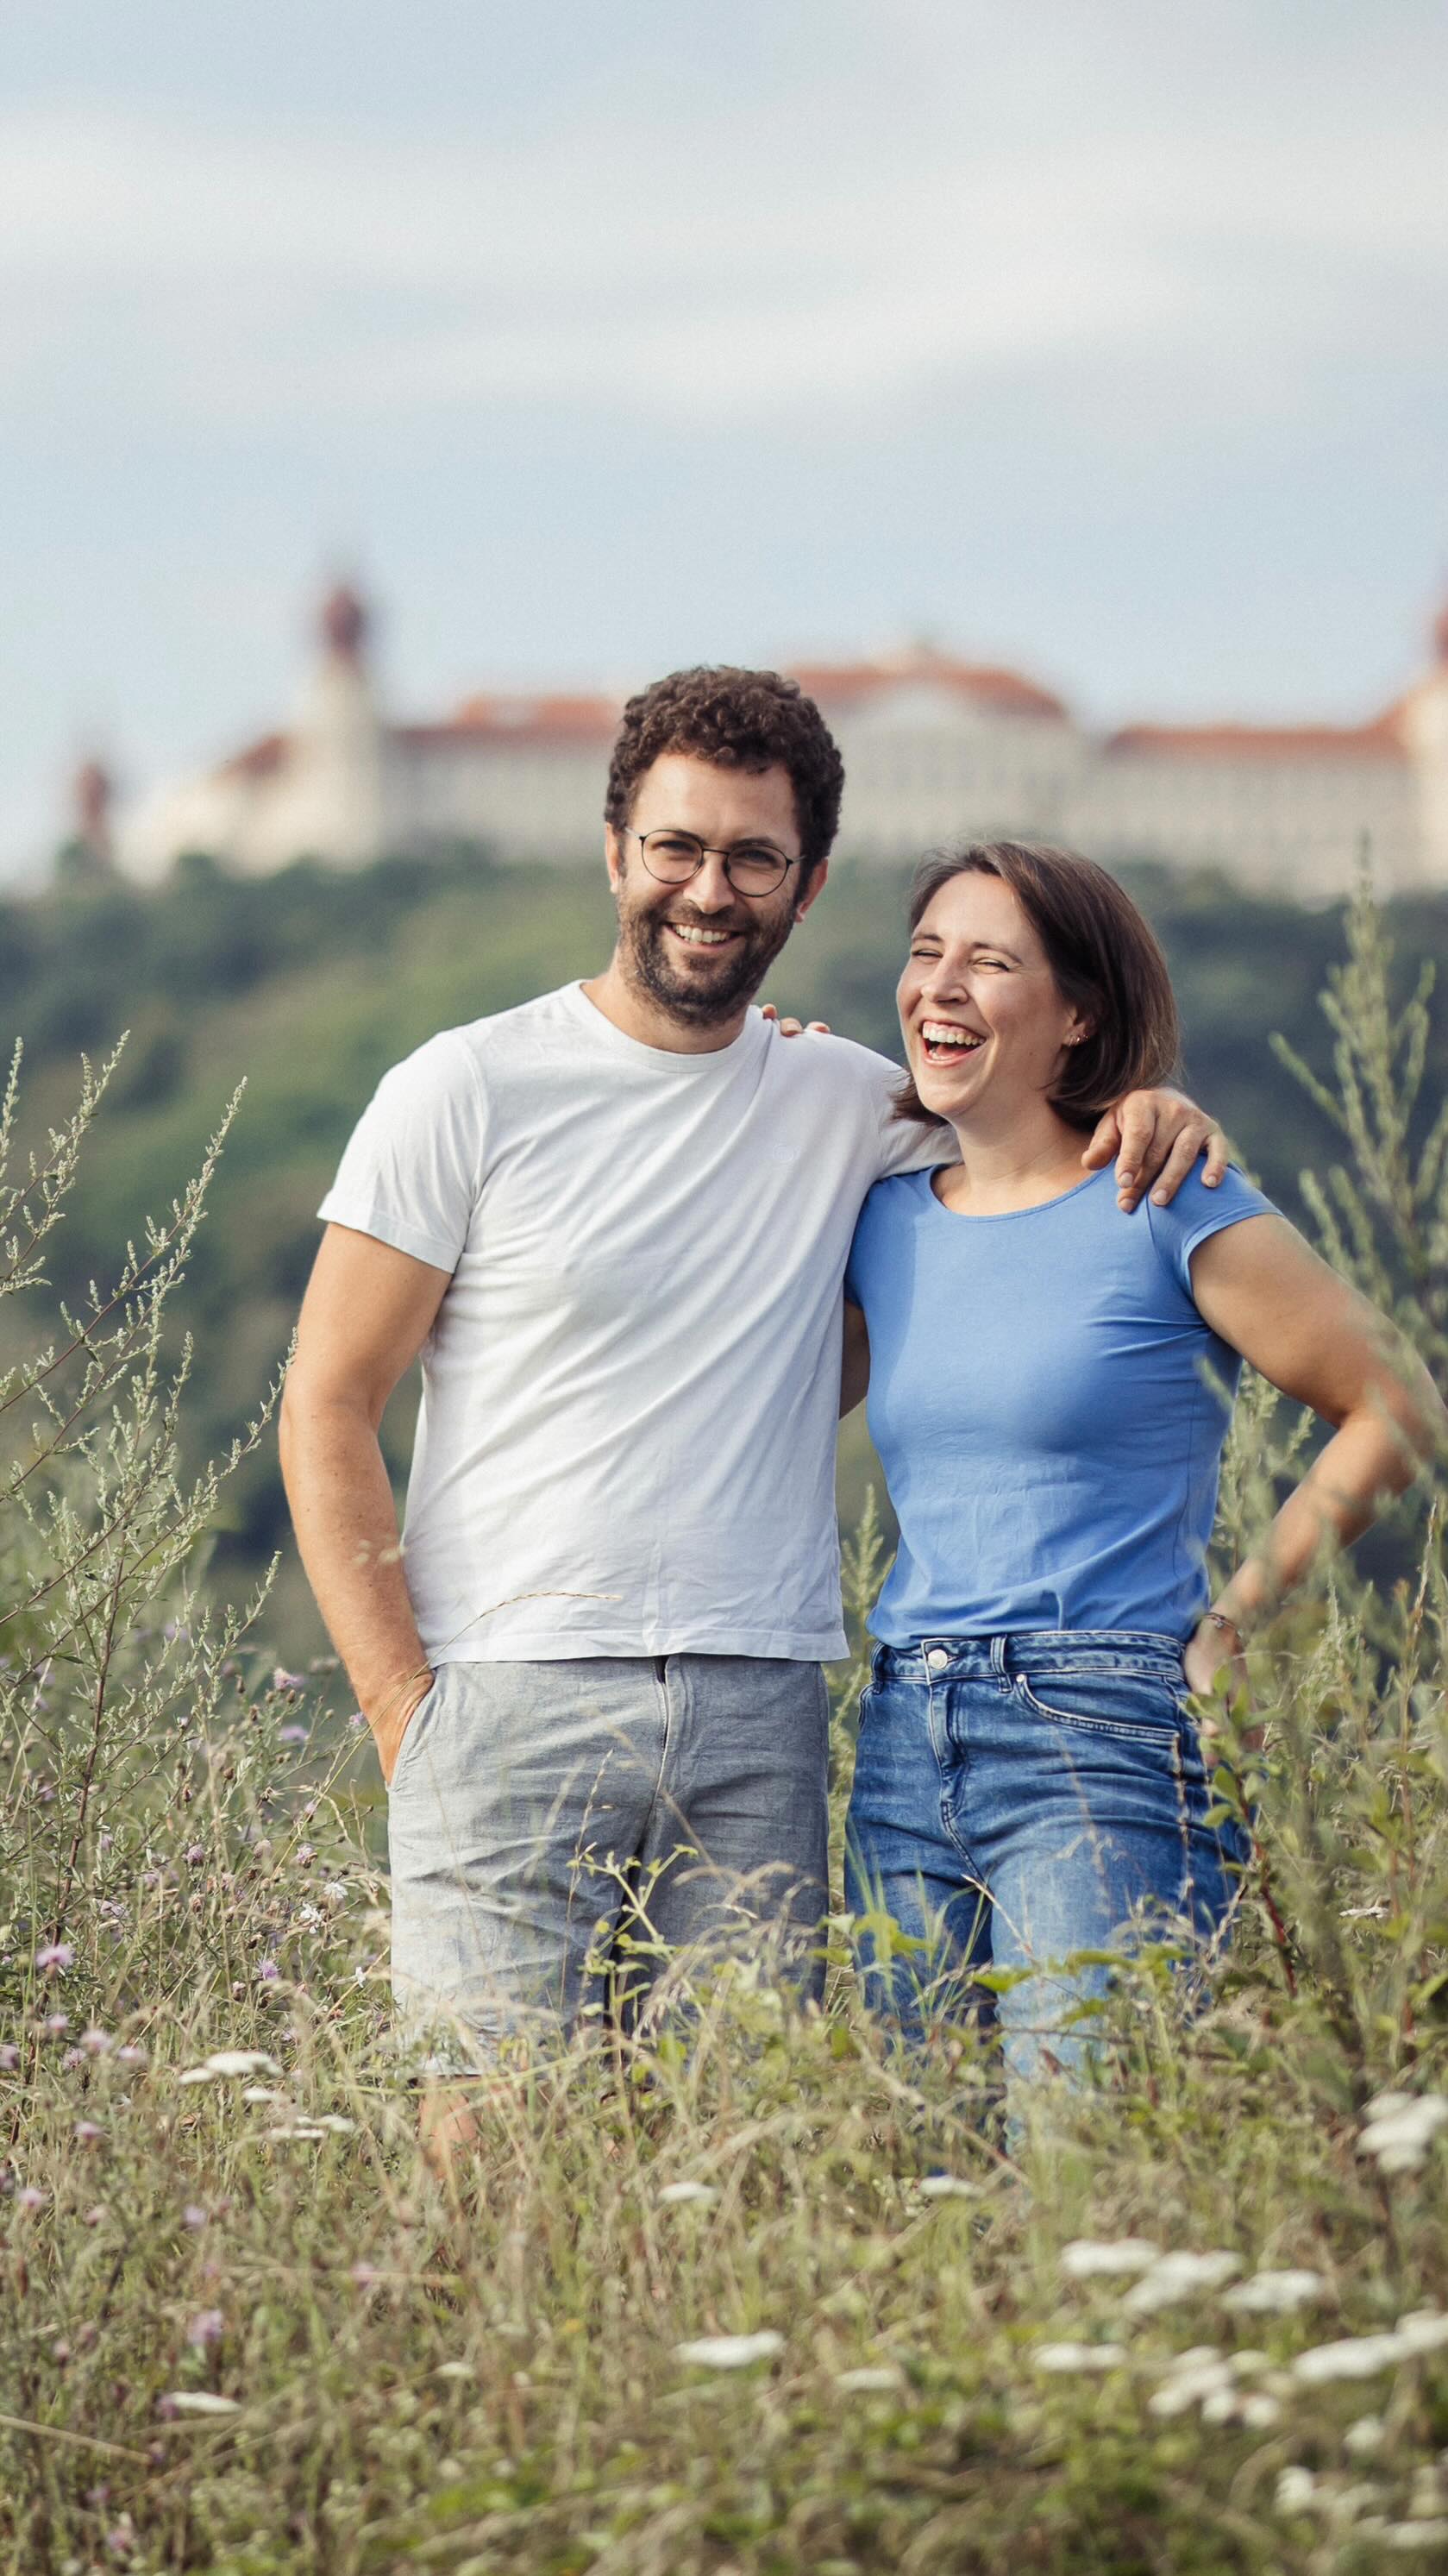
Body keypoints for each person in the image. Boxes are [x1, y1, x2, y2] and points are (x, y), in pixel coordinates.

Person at [279, 674, 1225, 2109]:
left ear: (806, 886)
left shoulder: (857, 1105)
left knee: (735, 2169)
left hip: (760, 1710)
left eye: (751, 861)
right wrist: (405, 1711)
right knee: (484, 2169)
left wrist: (1148, 1106)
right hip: (499, 1695)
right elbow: (327, 1399)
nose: (707, 890)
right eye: (676, 848)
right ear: (615, 852)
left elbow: (1030, 1156)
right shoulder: (464, 1089)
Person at [841, 839, 1445, 2092]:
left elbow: (1398, 1407)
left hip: (1101, 1731)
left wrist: (1227, 1628)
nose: (939, 986)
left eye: (989, 962)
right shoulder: (881, 1213)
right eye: (924, 953)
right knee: (928, 2181)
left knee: (1083, 2163)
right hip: (904, 1729)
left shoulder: (1161, 1190)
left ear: (1076, 1016)